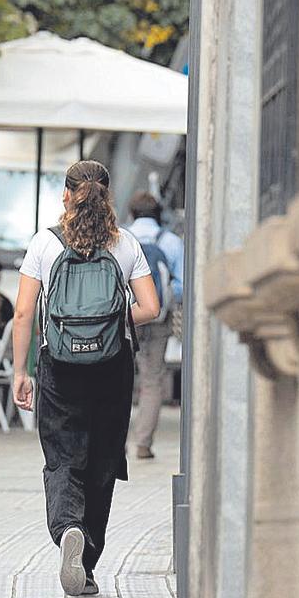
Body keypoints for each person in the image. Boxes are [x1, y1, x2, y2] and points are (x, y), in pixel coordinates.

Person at [11, 161, 159, 597]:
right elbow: (151, 307)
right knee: (102, 463)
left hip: (58, 366)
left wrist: (20, 371)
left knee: (62, 458)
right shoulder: (125, 243)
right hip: (113, 366)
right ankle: (88, 564)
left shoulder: (45, 243)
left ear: (66, 195)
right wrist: (111, 324)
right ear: (107, 196)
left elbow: (23, 312)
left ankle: (67, 528)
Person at [126, 192, 185, 459]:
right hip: (159, 318)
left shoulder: (121, 238)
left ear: (132, 214)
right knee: (152, 381)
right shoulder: (171, 241)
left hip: (126, 318)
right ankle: (143, 443)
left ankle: (115, 444)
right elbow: (182, 286)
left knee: (119, 378)